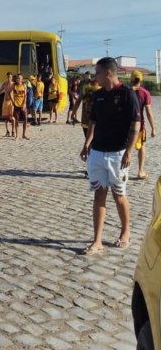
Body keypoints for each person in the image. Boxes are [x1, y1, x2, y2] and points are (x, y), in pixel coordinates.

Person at [79, 57, 141, 255]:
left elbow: (136, 126)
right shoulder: (97, 96)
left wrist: (130, 152)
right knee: (99, 194)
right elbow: (93, 123)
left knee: (119, 195)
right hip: (97, 152)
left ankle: (126, 231)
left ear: (107, 73)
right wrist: (86, 144)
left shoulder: (127, 95)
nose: (94, 76)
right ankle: (97, 240)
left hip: (118, 153)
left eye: (97, 72)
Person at [130, 70, 156, 179]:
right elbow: (149, 113)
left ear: (131, 79)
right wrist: (153, 128)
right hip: (140, 126)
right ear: (141, 79)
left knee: (126, 148)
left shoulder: (126, 91)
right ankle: (140, 171)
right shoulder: (145, 93)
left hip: (126, 126)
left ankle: (122, 171)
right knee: (141, 147)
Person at [0, 72, 15, 137]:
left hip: (11, 102)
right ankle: (7, 131)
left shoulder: (14, 84)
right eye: (8, 77)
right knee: (6, 118)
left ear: (12, 77)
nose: (9, 78)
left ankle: (13, 131)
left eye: (10, 77)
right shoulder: (4, 84)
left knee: (12, 117)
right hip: (5, 102)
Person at [9, 73, 29, 140]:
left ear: (21, 79)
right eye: (17, 78)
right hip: (16, 105)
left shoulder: (24, 85)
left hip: (23, 105)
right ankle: (17, 135)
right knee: (16, 120)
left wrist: (24, 104)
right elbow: (10, 92)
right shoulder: (14, 85)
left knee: (25, 119)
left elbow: (25, 95)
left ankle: (24, 134)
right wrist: (12, 101)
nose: (17, 79)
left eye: (19, 78)